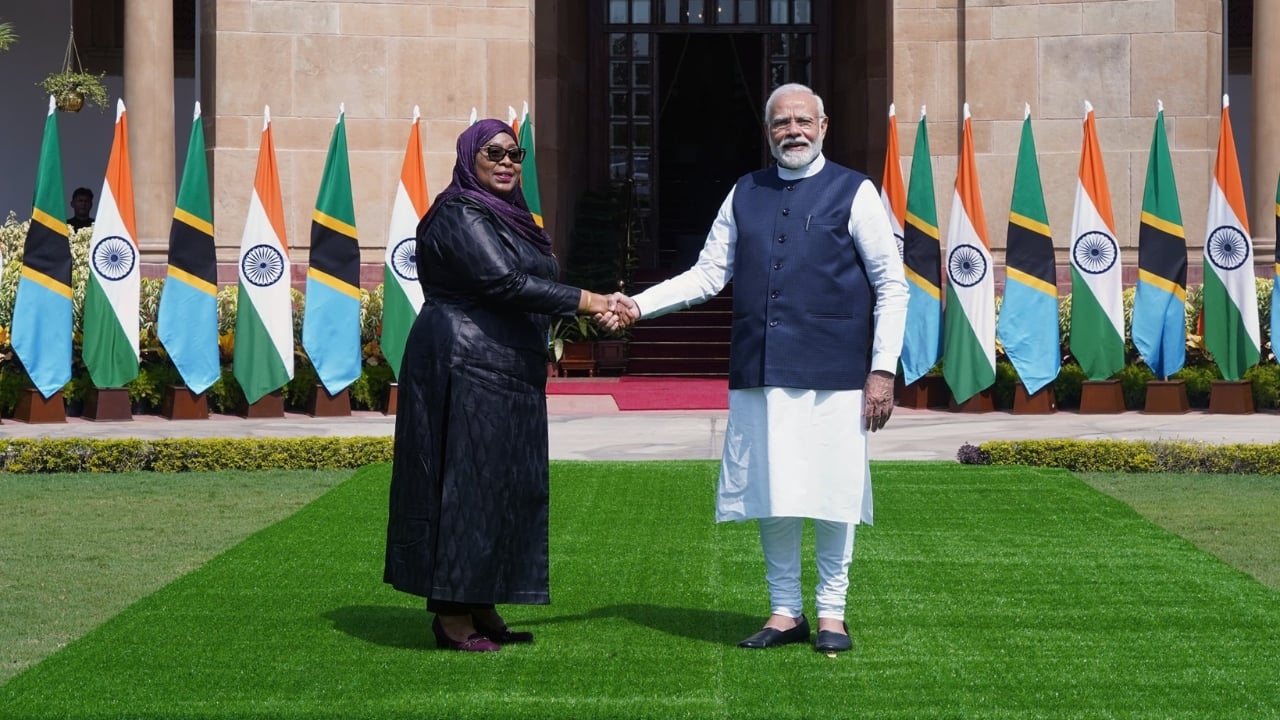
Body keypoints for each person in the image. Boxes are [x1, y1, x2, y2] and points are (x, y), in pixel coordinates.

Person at [610, 83, 908, 653]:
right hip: (761, 367)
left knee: (834, 491)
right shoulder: (744, 192)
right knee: (773, 490)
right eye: (781, 123)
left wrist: (883, 371)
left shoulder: (857, 191)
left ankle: (833, 613)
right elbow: (708, 273)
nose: (793, 131)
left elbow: (891, 286)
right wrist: (638, 306)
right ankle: (785, 610)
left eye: (803, 121)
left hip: (837, 372)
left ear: (824, 127)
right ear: (768, 132)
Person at [383, 119, 622, 652]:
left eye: (515, 154)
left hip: (508, 367)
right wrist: (592, 301)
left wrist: (590, 307)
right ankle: (451, 614)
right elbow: (503, 281)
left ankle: (481, 598)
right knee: (465, 486)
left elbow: (534, 284)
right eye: (493, 153)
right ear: (470, 157)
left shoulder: (511, 217)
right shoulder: (458, 212)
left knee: (506, 486)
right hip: (463, 364)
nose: (508, 162)